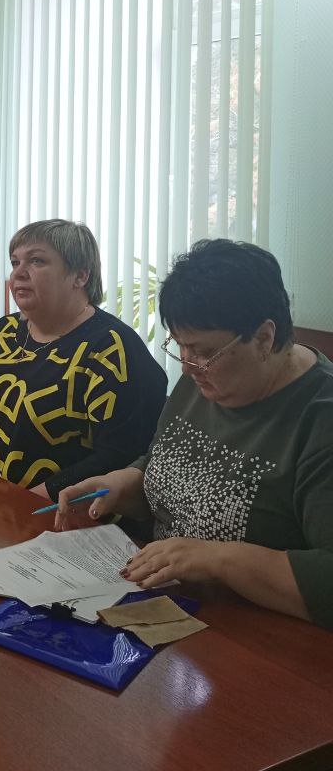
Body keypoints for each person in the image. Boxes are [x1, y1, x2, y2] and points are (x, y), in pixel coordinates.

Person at [55, 239, 333, 630]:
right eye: (180, 346)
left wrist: (218, 558)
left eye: (202, 351)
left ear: (264, 338)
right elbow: (173, 466)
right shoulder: (207, 378)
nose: (187, 367)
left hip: (252, 635)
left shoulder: (319, 419)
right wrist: (122, 484)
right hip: (162, 604)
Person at [0, 219, 167, 500]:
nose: (18, 273)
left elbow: (122, 454)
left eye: (36, 261)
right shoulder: (3, 330)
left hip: (54, 509)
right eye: (14, 262)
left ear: (80, 276)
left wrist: (37, 497)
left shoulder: (113, 348)